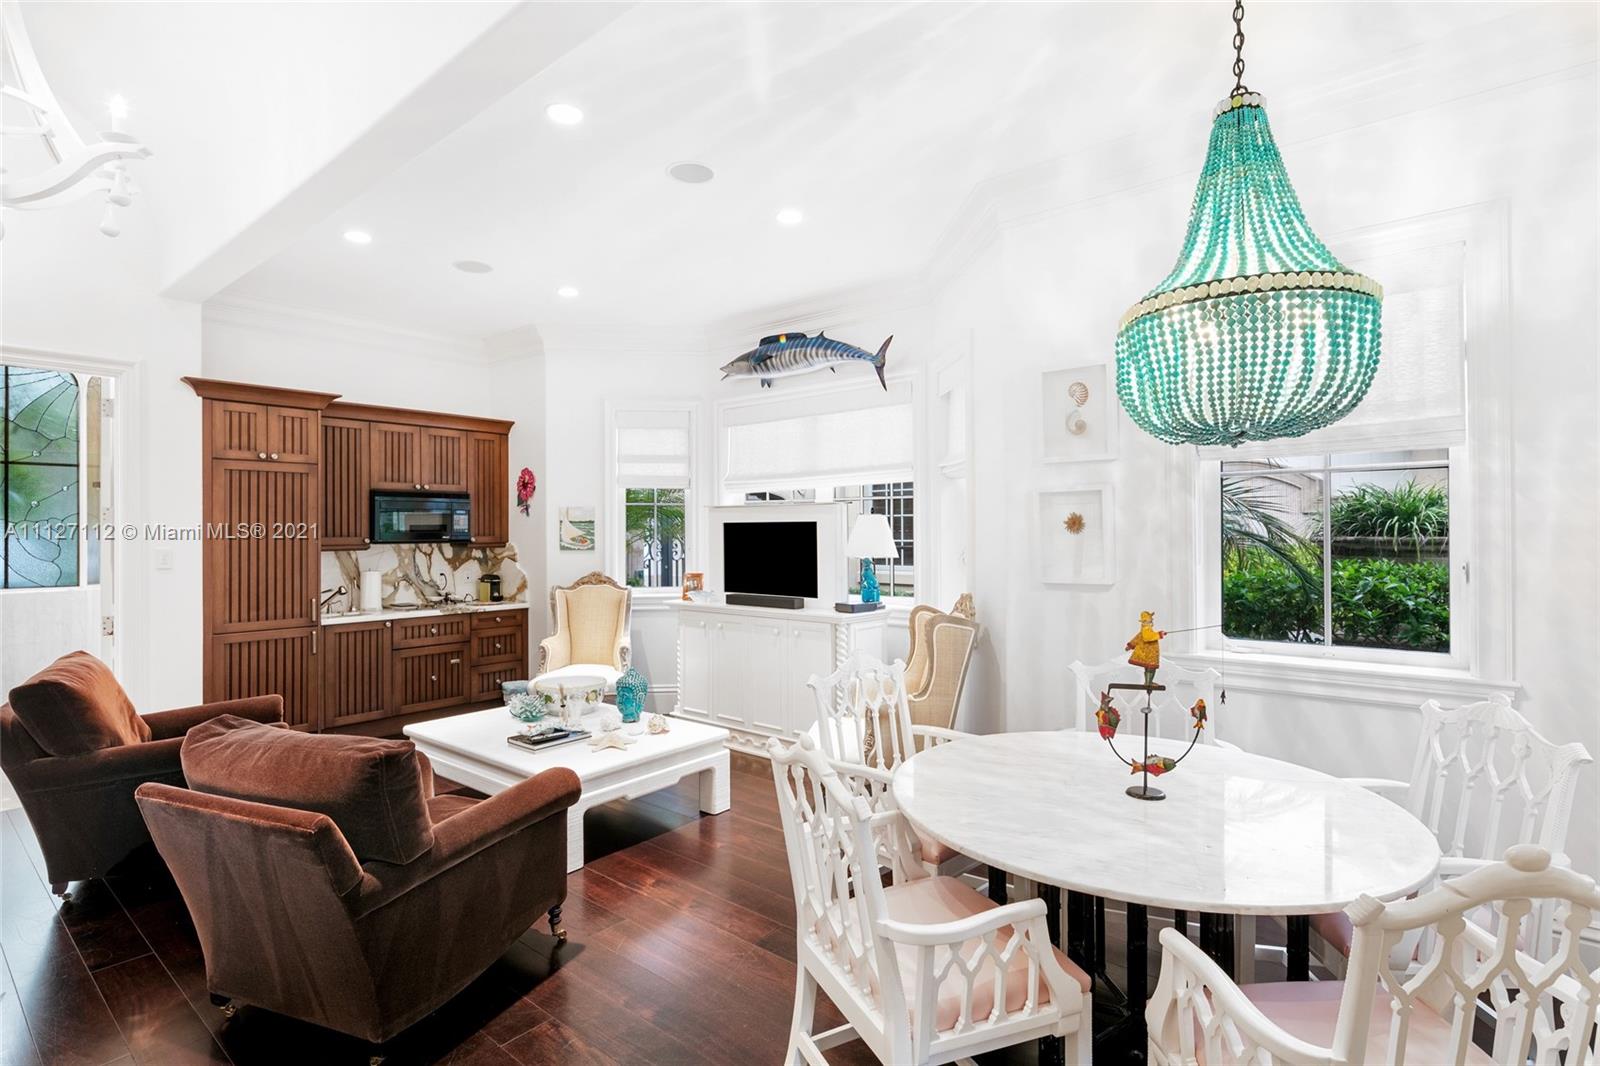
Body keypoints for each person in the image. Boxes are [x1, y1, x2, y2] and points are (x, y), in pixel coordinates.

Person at [1125, 610, 1166, 685]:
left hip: (1148, 653)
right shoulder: (1146, 629)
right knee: (1151, 667)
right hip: (1148, 653)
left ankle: (1148, 682)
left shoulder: (1145, 629)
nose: (1151, 620)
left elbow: (1138, 637)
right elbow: (1148, 637)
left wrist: (1130, 645)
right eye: (1150, 619)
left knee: (1149, 667)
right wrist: (1159, 634)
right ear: (1145, 620)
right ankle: (1148, 682)